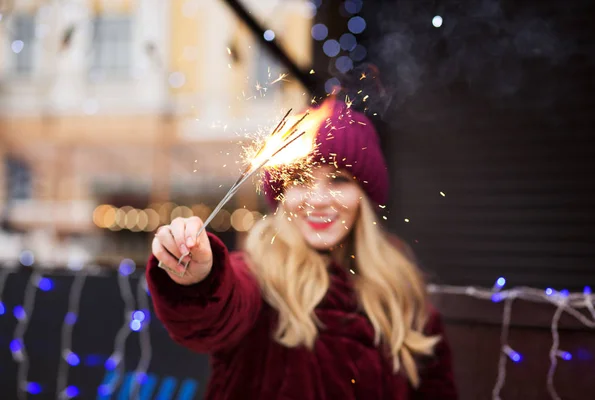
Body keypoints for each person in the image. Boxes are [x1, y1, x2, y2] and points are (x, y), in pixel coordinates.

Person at [146, 100, 458, 399]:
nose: (319, 199)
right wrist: (201, 278)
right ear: (281, 195)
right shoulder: (257, 275)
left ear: (363, 194)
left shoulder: (403, 292)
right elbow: (218, 313)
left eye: (338, 180)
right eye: (300, 180)